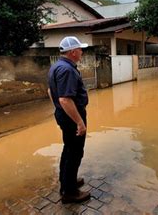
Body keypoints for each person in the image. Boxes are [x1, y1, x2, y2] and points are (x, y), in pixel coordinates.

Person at [48, 36, 91, 204]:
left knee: (68, 149)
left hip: (65, 114)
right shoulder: (67, 70)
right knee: (74, 153)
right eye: (80, 49)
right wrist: (79, 122)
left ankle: (67, 181)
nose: (82, 52)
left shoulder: (57, 66)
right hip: (72, 116)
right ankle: (69, 192)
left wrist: (59, 109)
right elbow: (65, 99)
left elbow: (51, 92)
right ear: (73, 52)